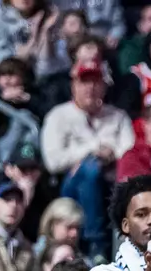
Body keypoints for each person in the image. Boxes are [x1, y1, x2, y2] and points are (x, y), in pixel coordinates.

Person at [39, 61, 136, 260]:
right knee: (90, 169)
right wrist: (91, 151)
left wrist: (109, 157)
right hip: (70, 188)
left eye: (96, 82)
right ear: (74, 85)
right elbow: (53, 161)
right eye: (84, 82)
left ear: (104, 86)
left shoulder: (117, 116)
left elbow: (130, 153)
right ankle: (96, 245)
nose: (90, 88)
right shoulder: (58, 116)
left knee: (101, 170)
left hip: (112, 183)